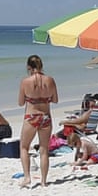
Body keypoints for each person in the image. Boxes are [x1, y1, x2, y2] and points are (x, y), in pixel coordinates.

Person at [18, 55, 58, 188]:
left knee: (24, 147)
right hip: (45, 117)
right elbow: (55, 100)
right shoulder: (50, 80)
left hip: (31, 116)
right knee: (44, 150)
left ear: (28, 67)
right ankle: (43, 181)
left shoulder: (25, 81)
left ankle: (27, 177)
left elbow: (20, 103)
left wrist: (31, 98)